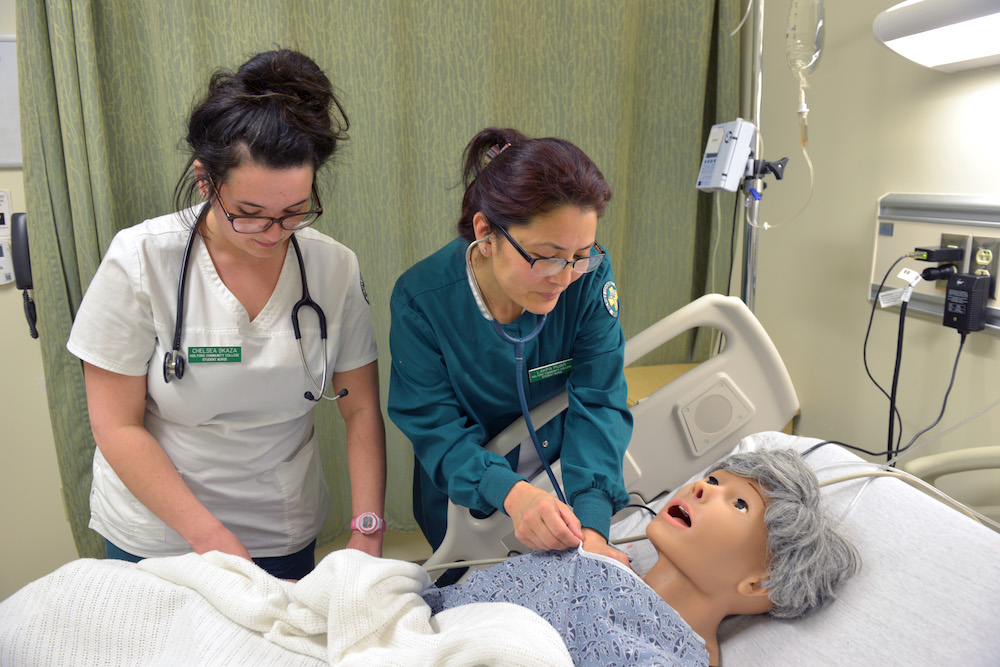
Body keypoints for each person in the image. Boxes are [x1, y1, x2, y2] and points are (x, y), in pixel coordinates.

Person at [66, 49, 387, 580]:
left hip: (280, 528)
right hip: (158, 533)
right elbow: (116, 425)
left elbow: (359, 409)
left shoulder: (332, 268)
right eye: (250, 214)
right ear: (205, 181)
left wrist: (367, 528)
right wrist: (208, 537)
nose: (273, 233)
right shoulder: (140, 259)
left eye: (293, 212)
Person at [388, 127, 633, 568]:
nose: (564, 277)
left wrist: (593, 524)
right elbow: (433, 426)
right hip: (468, 500)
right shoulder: (422, 300)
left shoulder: (589, 277)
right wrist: (512, 494)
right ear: (486, 232)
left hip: (564, 481)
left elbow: (599, 398)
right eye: (547, 256)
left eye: (581, 254)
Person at [422, 447, 861, 667]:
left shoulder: (670, 656)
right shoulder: (594, 558)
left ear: (760, 583)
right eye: (712, 477)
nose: (703, 487)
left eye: (739, 503)